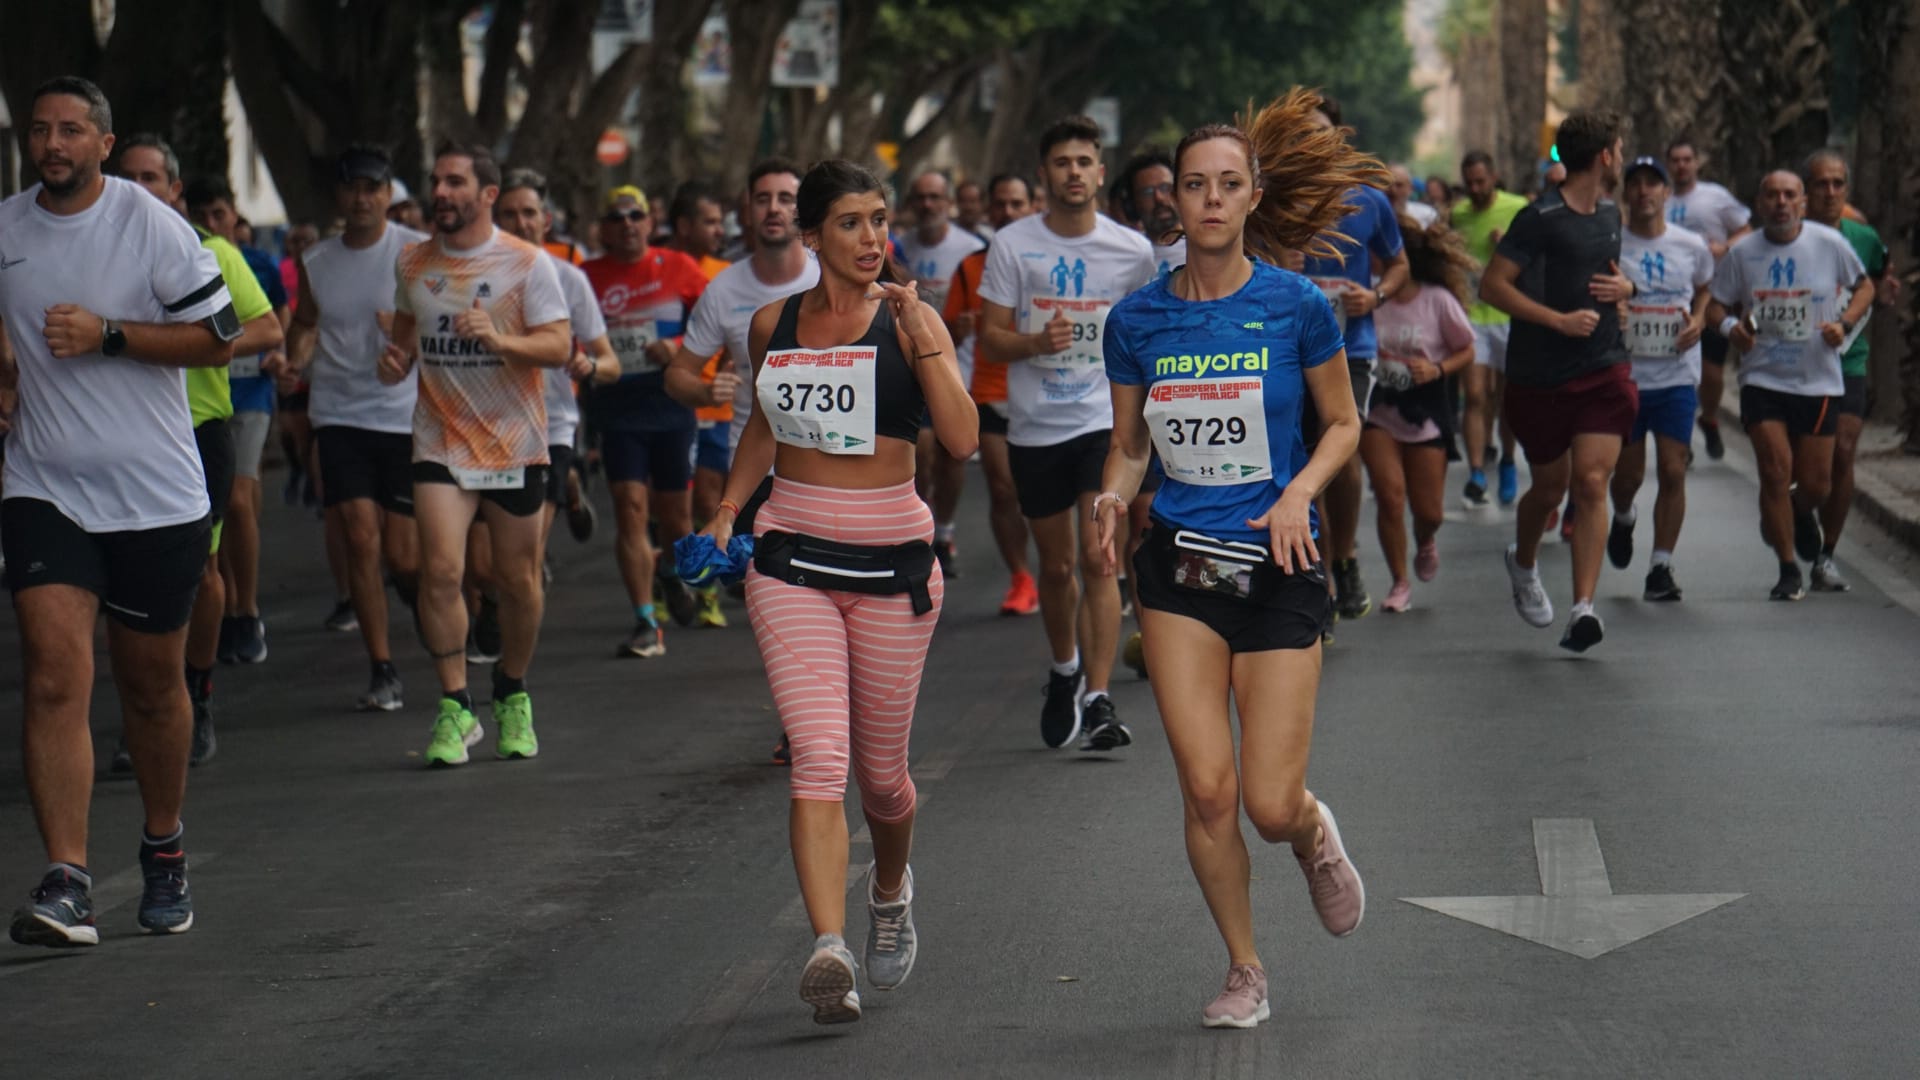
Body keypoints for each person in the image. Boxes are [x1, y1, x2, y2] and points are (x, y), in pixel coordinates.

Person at [1092, 90, 1372, 1028]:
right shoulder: (1135, 323)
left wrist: (1299, 491)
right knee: (1207, 788)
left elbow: (1342, 422)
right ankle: (1244, 969)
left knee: (1264, 800)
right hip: (1181, 570)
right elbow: (1132, 444)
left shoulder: (1296, 306)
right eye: (1194, 185)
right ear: (1170, 199)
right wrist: (1110, 495)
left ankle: (1311, 829)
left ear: (1254, 196)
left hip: (1281, 566)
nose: (1210, 200)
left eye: (1228, 185)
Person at [700, 159, 976, 1024]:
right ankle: (830, 949)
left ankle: (888, 893)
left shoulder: (910, 319)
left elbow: (962, 440)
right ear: (811, 235)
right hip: (790, 562)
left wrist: (923, 332)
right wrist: (727, 511)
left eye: (879, 220)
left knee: (883, 781)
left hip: (893, 563)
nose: (872, 239)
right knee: (819, 757)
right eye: (851, 223)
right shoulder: (771, 323)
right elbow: (762, 423)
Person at [3, 76, 241, 947]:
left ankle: (163, 844)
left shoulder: (151, 223)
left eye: (70, 130)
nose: (52, 144)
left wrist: (109, 334)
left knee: (150, 689)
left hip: (153, 497)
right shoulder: (6, 229)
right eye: (39, 130)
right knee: (55, 674)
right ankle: (67, 877)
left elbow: (218, 336)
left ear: (104, 143)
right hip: (43, 485)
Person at [378, 141, 571, 763]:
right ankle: (455, 706)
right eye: (436, 181)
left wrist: (501, 336)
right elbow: (406, 329)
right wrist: (397, 358)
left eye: (455, 182)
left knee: (516, 581)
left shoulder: (525, 264)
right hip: (439, 438)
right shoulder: (412, 263)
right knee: (440, 571)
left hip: (513, 442)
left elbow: (559, 347)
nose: (441, 192)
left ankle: (512, 690)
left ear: (487, 194)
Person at [977, 116, 1158, 751]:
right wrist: (1035, 340)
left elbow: (1148, 332)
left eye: (1084, 162)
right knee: (1056, 567)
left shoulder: (1132, 252)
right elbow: (990, 337)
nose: (1074, 172)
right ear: (1044, 174)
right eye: (1062, 163)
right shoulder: (1012, 245)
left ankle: (1100, 697)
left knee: (1098, 555)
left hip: (1103, 422)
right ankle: (1063, 670)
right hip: (1035, 428)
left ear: (1100, 173)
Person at [116, 142, 283, 768]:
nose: (139, 186)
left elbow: (267, 329)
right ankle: (146, 713)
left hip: (198, 428)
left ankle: (196, 692)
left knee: (199, 573)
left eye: (151, 177)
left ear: (174, 189)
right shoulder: (97, 256)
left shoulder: (210, 253)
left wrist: (192, 342)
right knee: (126, 583)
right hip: (124, 436)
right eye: (127, 177)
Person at [1479, 110, 1637, 652]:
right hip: (1540, 374)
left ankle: (1583, 609)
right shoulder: (1538, 217)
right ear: (1606, 157)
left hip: (1603, 367)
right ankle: (1522, 564)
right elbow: (1492, 287)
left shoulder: (1611, 214)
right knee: (1550, 487)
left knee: (1591, 481)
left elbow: (1610, 280)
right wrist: (1557, 321)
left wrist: (1627, 291)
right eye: (1618, 147)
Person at [284, 146, 430, 711]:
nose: (362, 198)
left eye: (373, 187)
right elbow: (305, 323)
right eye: (352, 188)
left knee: (406, 557)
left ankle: (428, 611)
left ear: (389, 192)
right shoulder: (317, 260)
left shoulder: (414, 253)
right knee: (360, 539)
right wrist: (294, 358)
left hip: (400, 416)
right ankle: (382, 666)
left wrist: (406, 347)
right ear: (339, 196)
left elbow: (434, 323)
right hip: (337, 413)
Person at [1706, 170, 1871, 600]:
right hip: (1763, 377)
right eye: (1772, 195)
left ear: (1801, 203)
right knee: (1775, 470)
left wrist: (1845, 323)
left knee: (1817, 484)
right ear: (1760, 204)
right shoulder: (1743, 253)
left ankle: (1796, 511)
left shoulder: (1829, 244)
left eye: (1789, 195)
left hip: (1817, 378)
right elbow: (1715, 305)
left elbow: (1864, 287)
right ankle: (1786, 570)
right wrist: (1729, 328)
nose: (1781, 202)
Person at [581, 186, 708, 657]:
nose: (629, 224)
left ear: (650, 223)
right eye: (618, 217)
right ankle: (644, 620)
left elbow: (712, 326)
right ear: (605, 228)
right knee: (630, 506)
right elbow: (565, 329)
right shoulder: (586, 276)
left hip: (671, 403)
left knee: (676, 516)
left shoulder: (679, 267)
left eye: (637, 215)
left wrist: (677, 348)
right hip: (617, 408)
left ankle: (672, 574)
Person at [1298, 95, 1409, 624]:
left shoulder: (1369, 201)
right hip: (1287, 346)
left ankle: (1344, 557)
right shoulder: (1269, 199)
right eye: (1300, 133)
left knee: (1337, 453)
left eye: (1320, 131)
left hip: (1352, 346)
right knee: (1301, 460)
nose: (1310, 141)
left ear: (1339, 136)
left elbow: (1399, 265)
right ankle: (1313, 577)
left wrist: (1377, 296)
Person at [182, 175, 290, 666]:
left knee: (240, 497)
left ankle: (245, 611)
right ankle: (212, 613)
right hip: (200, 394)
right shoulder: (166, 257)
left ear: (234, 218)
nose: (210, 225)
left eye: (219, 215)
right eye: (201, 216)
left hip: (247, 393)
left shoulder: (255, 262)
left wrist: (277, 354)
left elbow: (277, 321)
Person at [493, 170, 619, 569]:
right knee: (482, 567)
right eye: (509, 214)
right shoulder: (476, 276)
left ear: (546, 220)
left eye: (529, 213)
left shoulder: (570, 279)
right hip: (486, 425)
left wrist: (590, 364)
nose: (521, 223)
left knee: (525, 557)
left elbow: (610, 362)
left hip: (550, 426)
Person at [1607, 156, 1713, 600]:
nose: (1644, 191)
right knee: (1628, 477)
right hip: (1628, 378)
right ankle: (1625, 515)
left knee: (1673, 469)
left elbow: (1706, 287)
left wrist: (1700, 321)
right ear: (1625, 194)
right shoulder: (1612, 245)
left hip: (1675, 375)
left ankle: (1661, 567)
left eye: (1654, 184)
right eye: (1636, 184)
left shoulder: (1691, 245)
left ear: (1667, 193)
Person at [1364, 217, 1477, 611]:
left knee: (1428, 511)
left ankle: (1426, 539)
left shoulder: (1437, 300)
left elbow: (1467, 348)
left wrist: (1437, 369)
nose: (1374, 262)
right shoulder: (1370, 300)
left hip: (1426, 407)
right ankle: (1399, 582)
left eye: (1381, 254)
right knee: (1390, 498)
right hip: (1380, 408)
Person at [944, 174, 1040, 617]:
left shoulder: (1047, 259)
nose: (1006, 213)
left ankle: (1057, 569)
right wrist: (957, 329)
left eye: (1015, 204)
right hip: (990, 389)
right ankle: (1021, 576)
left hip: (1045, 393)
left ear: (1031, 206)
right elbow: (942, 329)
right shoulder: (970, 267)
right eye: (999, 204)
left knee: (1037, 494)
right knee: (1003, 490)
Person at [1803, 149, 1898, 592]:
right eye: (1821, 184)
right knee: (1801, 467)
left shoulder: (1862, 237)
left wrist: (1885, 290)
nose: (1830, 192)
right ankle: (1801, 511)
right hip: (1793, 365)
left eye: (1838, 184)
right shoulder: (1786, 235)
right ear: (1806, 190)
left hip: (1848, 359)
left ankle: (1826, 555)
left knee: (1843, 451)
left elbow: (1880, 273)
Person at [896, 171, 986, 574]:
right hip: (910, 366)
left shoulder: (973, 249)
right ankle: (919, 528)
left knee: (954, 457)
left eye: (936, 197)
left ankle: (945, 531)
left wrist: (969, 324)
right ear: (912, 203)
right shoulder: (898, 248)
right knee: (922, 451)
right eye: (921, 197)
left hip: (959, 363)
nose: (928, 205)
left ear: (947, 202)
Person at [1664, 139, 1752, 461]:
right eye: (1675, 160)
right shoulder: (1661, 200)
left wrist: (1725, 248)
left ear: (1696, 162)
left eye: (1687, 159)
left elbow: (1746, 229)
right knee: (1679, 373)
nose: (1682, 166)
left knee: (1711, 374)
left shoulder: (1715, 197)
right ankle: (1681, 440)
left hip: (1713, 295)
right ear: (1669, 164)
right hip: (1672, 300)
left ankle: (1709, 418)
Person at [1451, 150, 1529, 506]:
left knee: (1508, 398)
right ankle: (1478, 472)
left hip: (1509, 316)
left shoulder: (1517, 207)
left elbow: (1536, 257)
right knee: (1476, 395)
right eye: (1470, 183)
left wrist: (1510, 247)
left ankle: (1510, 461)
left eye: (1481, 181)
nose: (1475, 189)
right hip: (1473, 316)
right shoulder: (1458, 214)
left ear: (1494, 176)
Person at [1389, 164, 1438, 228]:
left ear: (1410, 188)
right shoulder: (1375, 215)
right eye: (1387, 184)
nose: (1393, 190)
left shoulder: (1428, 214)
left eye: (1399, 185)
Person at [954, 178, 994, 243]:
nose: (968, 207)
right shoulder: (947, 236)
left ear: (982, 204)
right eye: (963, 201)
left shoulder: (989, 237)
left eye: (973, 201)